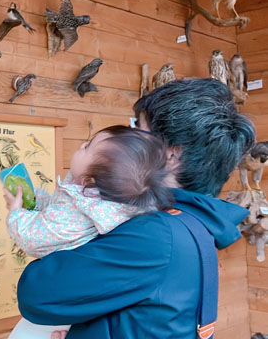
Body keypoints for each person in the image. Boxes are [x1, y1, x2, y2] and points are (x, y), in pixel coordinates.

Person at [13, 78, 255, 338]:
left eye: (138, 128)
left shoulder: (157, 235)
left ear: (171, 155)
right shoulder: (186, 224)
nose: (126, 138)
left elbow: (38, 293)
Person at [5, 125, 173, 339]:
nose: (81, 145)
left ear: (90, 181)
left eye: (87, 146)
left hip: (59, 306)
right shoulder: (95, 200)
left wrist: (16, 214)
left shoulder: (81, 207)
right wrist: (35, 201)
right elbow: (57, 215)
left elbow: (34, 238)